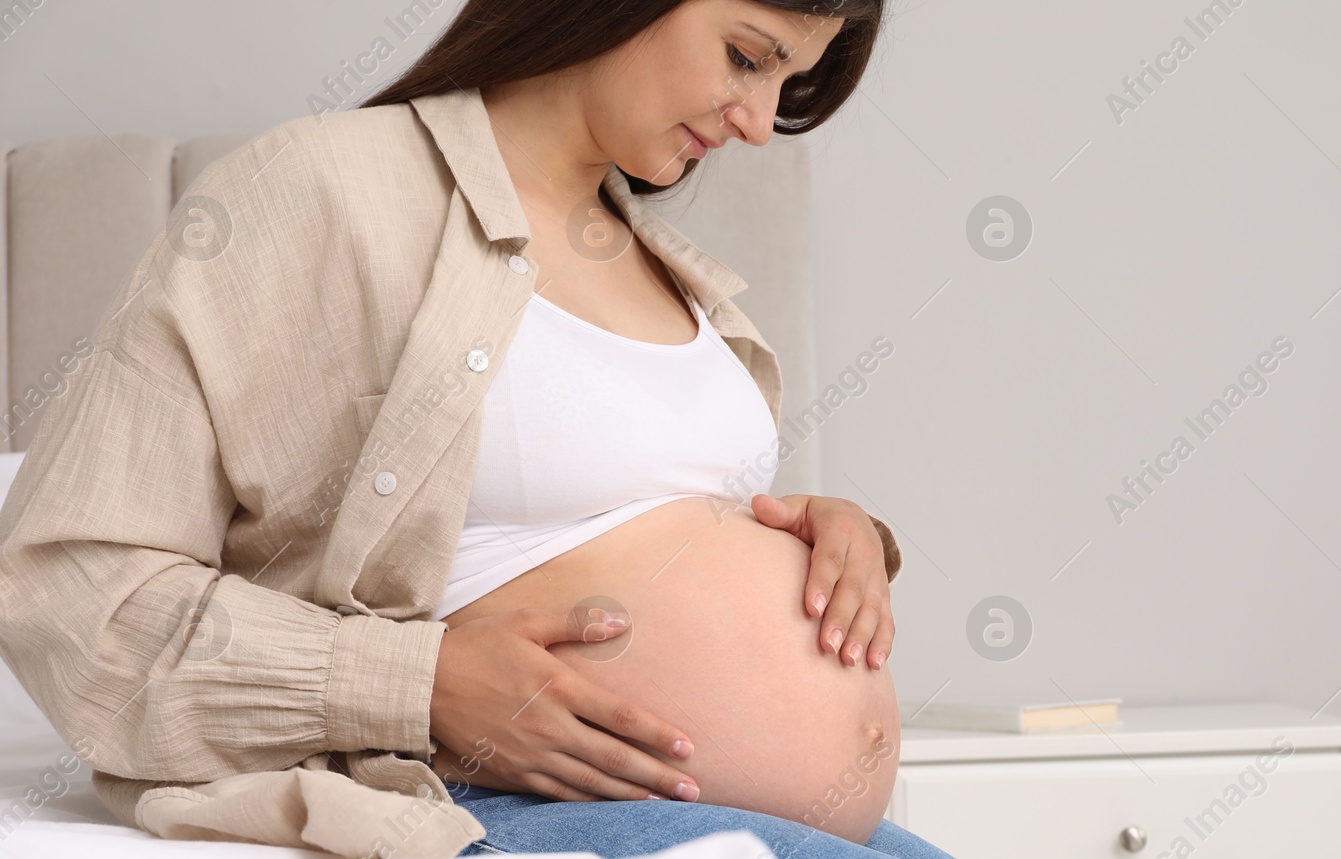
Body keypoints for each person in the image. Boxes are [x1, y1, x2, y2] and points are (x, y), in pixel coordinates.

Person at [0, 0, 953, 857]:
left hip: (756, 816)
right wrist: (416, 681)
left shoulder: (683, 280)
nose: (757, 123)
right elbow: (67, 586)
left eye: (787, 84)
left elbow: (627, 525)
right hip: (490, 800)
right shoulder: (324, 189)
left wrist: (825, 536)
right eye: (748, 56)